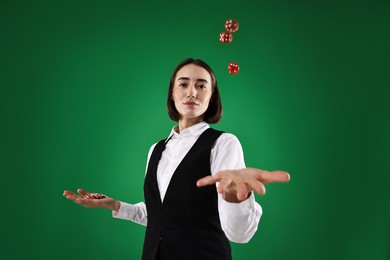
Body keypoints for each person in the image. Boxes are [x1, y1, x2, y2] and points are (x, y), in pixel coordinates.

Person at [63, 58, 290, 260]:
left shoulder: (224, 143)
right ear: (172, 93)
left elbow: (240, 234)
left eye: (201, 86)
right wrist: (114, 205)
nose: (192, 92)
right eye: (183, 84)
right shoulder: (156, 149)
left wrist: (236, 199)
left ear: (211, 97)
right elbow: (163, 217)